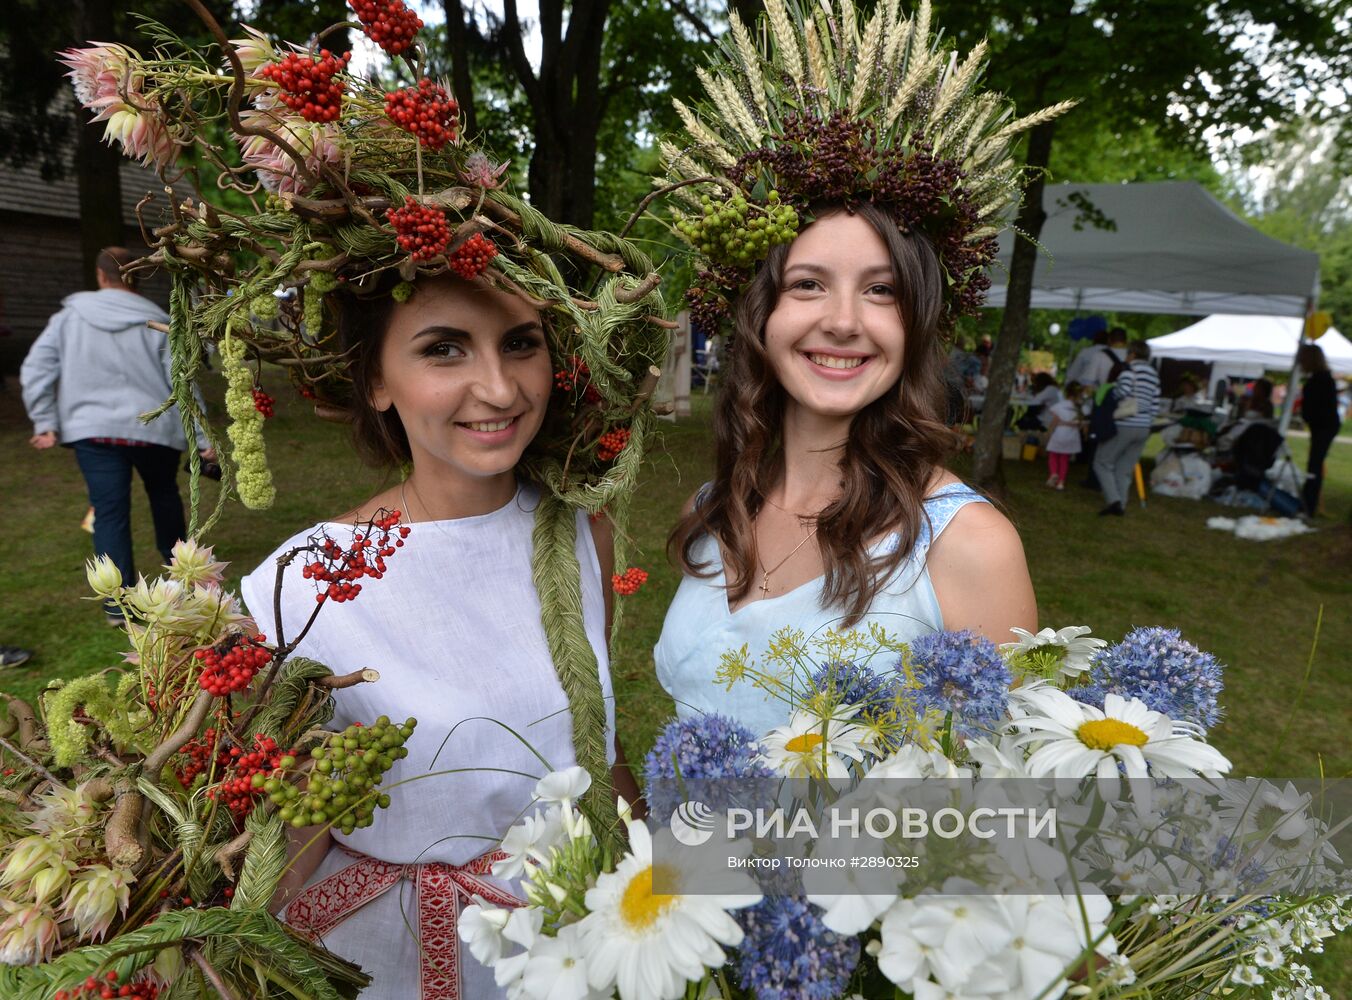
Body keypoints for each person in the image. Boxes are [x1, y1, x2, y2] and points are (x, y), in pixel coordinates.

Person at [650, 9, 1055, 735]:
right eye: (807, 284)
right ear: (761, 316)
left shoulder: (968, 547)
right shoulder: (712, 510)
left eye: (881, 290)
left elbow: (1002, 806)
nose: (842, 320)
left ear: (916, 322)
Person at [20, 247, 213, 625]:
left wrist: (45, 422)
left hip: (93, 432)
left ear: (99, 275)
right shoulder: (158, 321)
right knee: (164, 497)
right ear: (137, 276)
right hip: (153, 429)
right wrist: (204, 440)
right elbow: (183, 383)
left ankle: (118, 607)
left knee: (108, 513)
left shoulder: (67, 319)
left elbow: (35, 369)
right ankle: (184, 581)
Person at [1093, 340, 1160, 516]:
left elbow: (1121, 392)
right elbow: (1155, 404)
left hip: (1125, 423)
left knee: (1102, 462)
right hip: (1144, 426)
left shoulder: (1129, 371)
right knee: (1125, 468)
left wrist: (1109, 392)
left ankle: (1114, 500)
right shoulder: (1154, 375)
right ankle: (1121, 504)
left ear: (1132, 354)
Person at [1296, 342, 1343, 516]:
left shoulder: (1321, 380)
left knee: (1314, 465)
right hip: (1322, 426)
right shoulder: (1321, 378)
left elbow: (1319, 407)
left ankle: (1309, 504)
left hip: (1324, 426)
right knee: (1314, 463)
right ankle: (1308, 501)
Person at [1044, 382, 1086, 490]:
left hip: (1060, 433)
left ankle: (1053, 473)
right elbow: (1082, 424)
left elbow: (1054, 421)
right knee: (1064, 459)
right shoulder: (1080, 409)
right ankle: (1061, 482)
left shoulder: (1060, 406)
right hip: (1072, 435)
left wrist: (1049, 432)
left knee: (1053, 455)